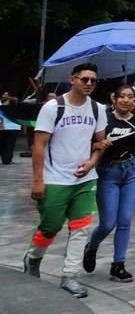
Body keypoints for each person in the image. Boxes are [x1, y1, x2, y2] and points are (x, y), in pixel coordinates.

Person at [23, 63, 107, 298]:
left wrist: (92, 161)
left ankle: (70, 276)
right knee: (50, 227)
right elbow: (38, 145)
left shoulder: (98, 109)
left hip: (85, 180)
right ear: (73, 80)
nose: (89, 83)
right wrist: (38, 180)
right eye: (84, 79)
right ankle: (33, 258)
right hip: (55, 179)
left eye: (93, 80)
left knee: (80, 230)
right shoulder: (53, 107)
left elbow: (100, 143)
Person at [83, 84, 135, 283]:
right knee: (108, 223)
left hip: (133, 171)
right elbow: (92, 145)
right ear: (113, 98)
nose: (126, 100)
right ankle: (92, 246)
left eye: (130, 96)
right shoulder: (104, 120)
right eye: (122, 96)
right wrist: (95, 149)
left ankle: (118, 264)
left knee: (125, 221)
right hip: (109, 173)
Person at [1, 91, 21, 164]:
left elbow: (16, 99)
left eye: (6, 95)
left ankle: (8, 159)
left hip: (12, 127)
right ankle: (4, 158)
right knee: (2, 143)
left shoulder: (14, 104)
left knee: (10, 144)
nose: (4, 96)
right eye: (3, 94)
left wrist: (9, 97)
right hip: (2, 127)